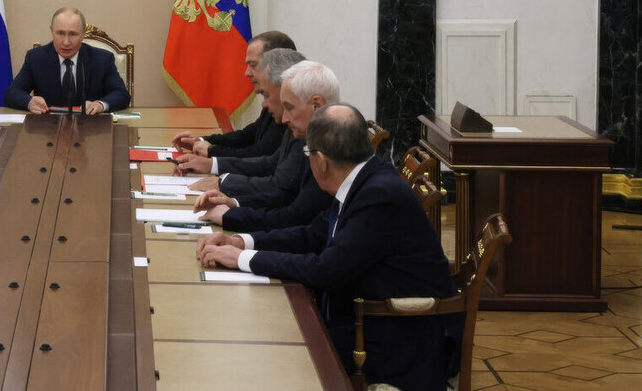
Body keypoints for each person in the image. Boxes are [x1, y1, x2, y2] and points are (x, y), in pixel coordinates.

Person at [197, 104, 459, 389]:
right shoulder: (362, 178)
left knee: (267, 355)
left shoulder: (379, 195)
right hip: (360, 316)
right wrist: (240, 242)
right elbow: (311, 235)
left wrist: (243, 259)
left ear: (321, 161)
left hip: (393, 340)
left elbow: (326, 270)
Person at [194, 57, 335, 230]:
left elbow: (295, 216)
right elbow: (284, 194)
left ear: (316, 105)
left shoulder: (326, 151)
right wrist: (234, 203)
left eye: (289, 107)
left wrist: (233, 217)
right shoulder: (309, 137)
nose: (284, 119)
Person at [170, 30, 297, 158]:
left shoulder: (290, 107)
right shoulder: (275, 98)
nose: (247, 73)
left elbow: (259, 154)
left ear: (275, 66)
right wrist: (201, 141)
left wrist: (212, 151)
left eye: (253, 65)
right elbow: (248, 136)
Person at [4, 7, 130, 114]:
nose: (66, 42)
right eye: (60, 33)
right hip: (49, 129)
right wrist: (29, 102)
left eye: (73, 34)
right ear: (52, 32)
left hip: (91, 128)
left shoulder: (102, 59)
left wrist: (100, 105)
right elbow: (12, 93)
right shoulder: (36, 58)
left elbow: (122, 95)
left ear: (83, 34)